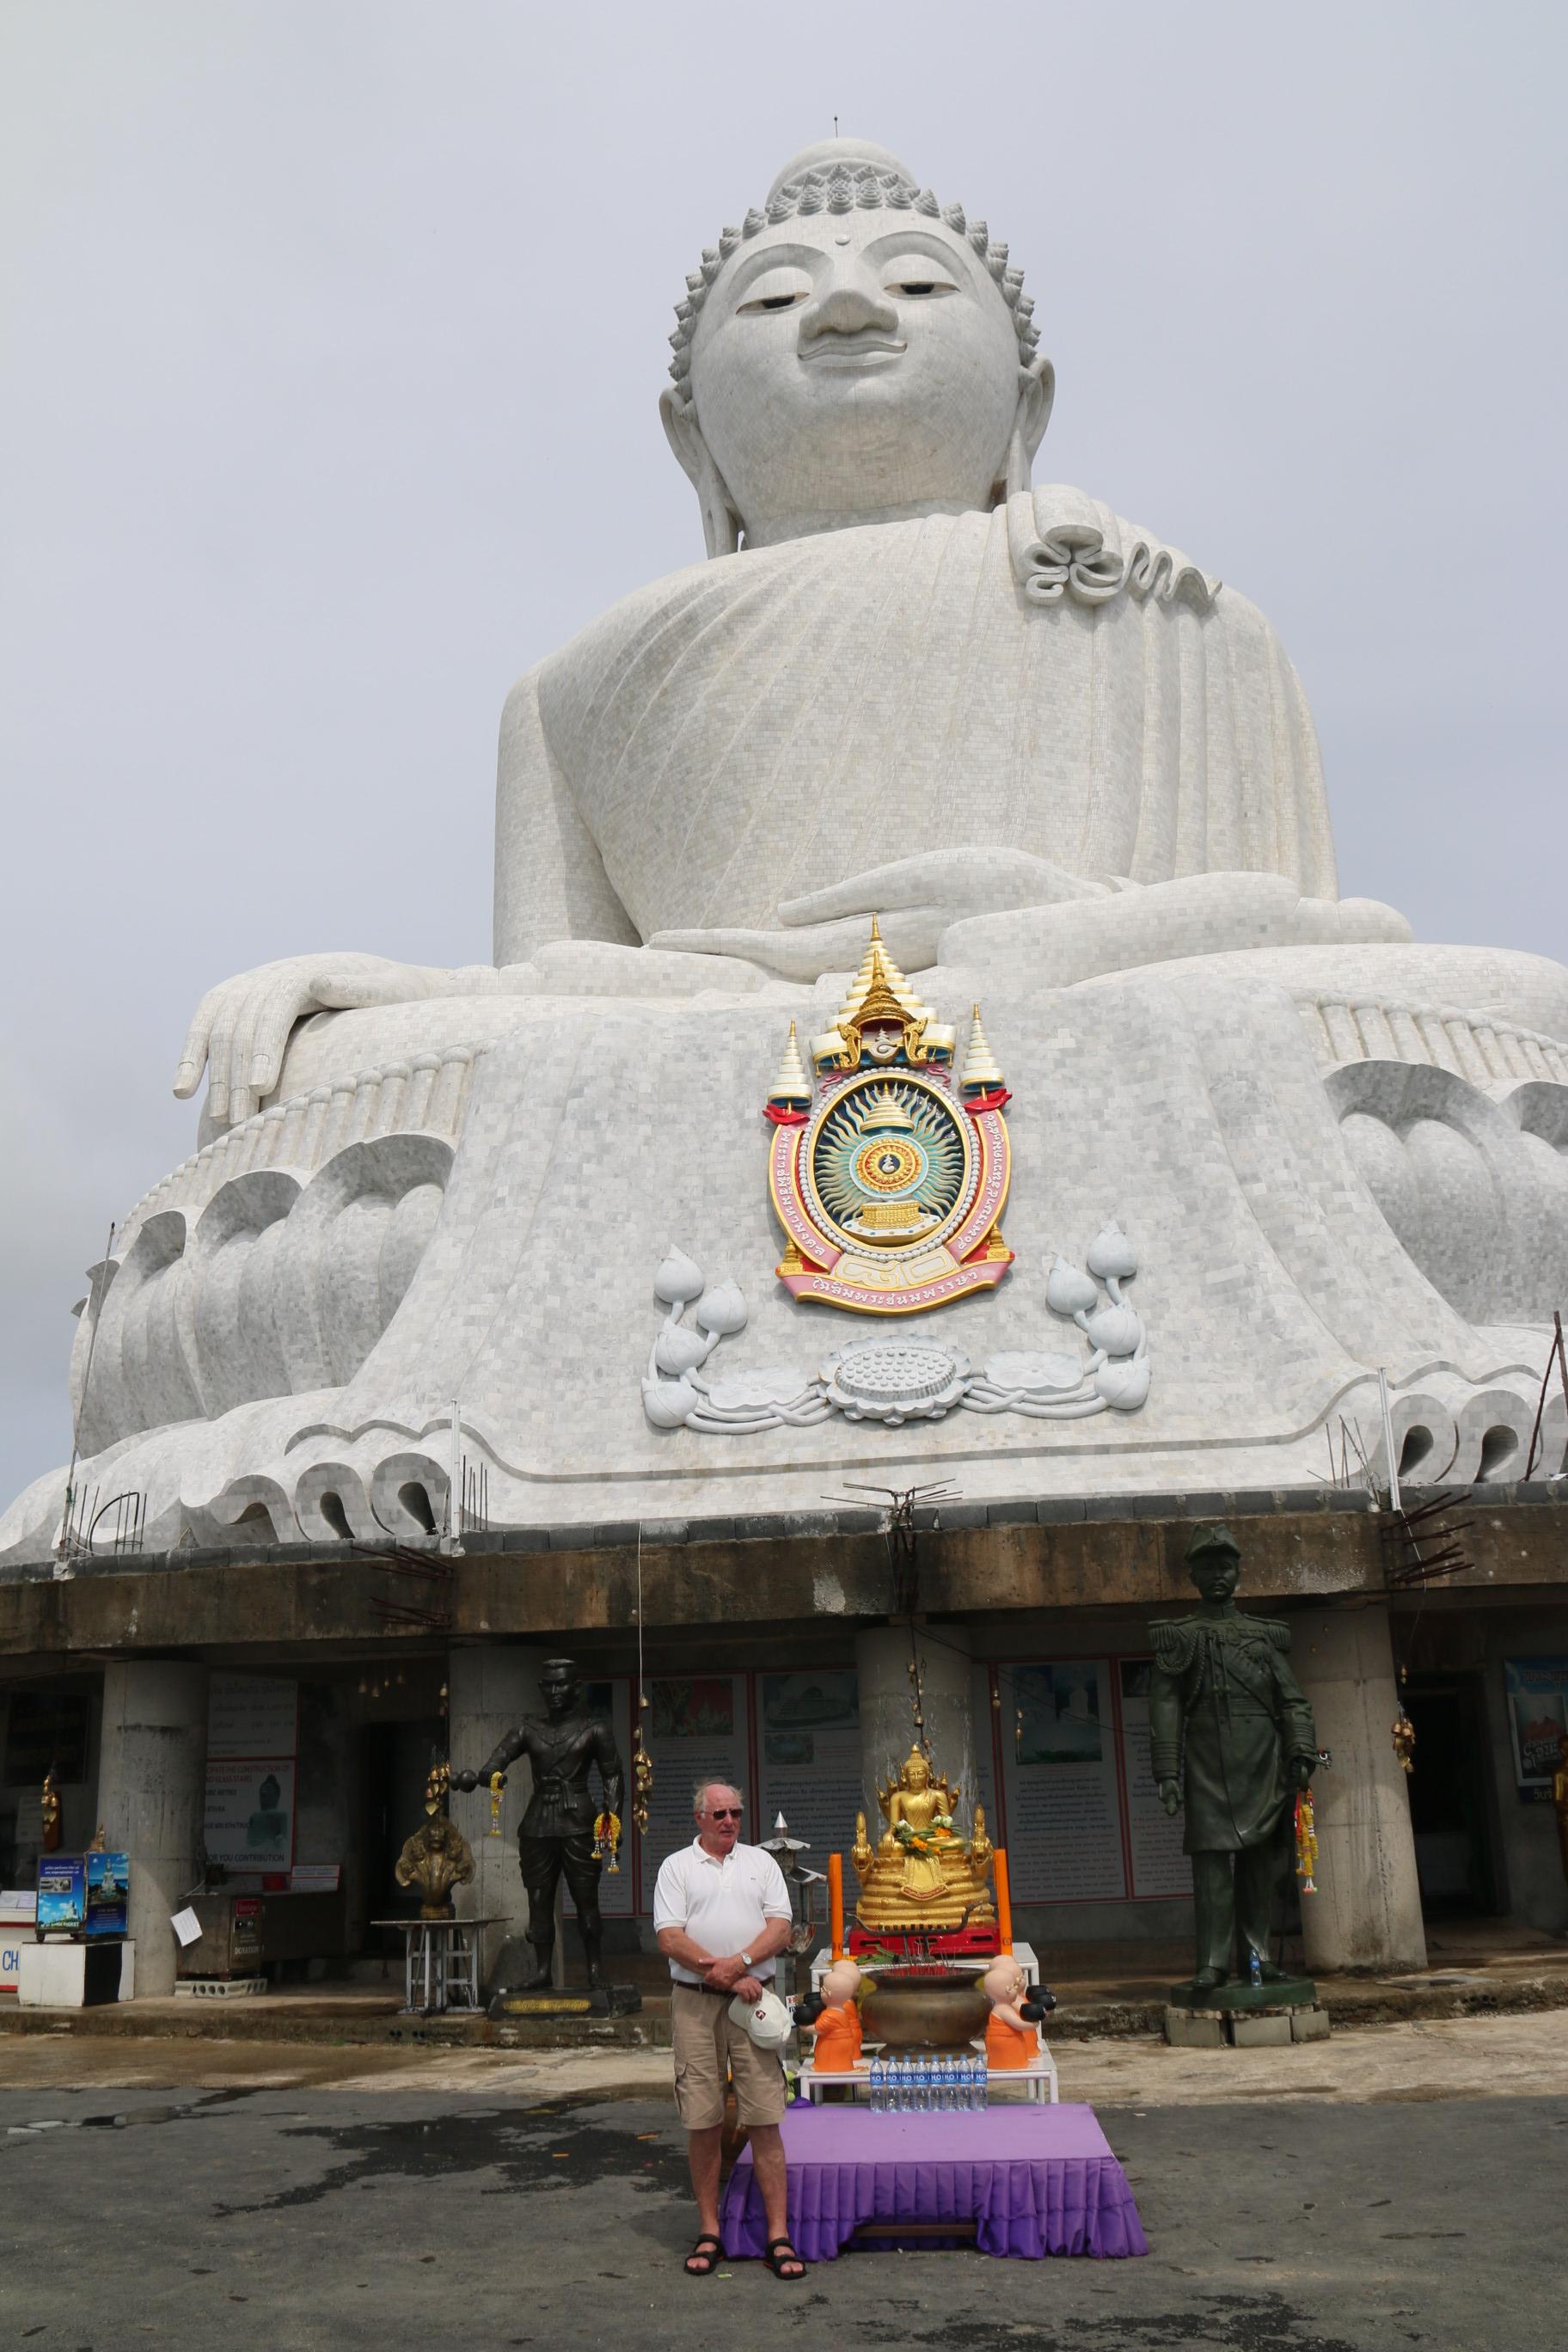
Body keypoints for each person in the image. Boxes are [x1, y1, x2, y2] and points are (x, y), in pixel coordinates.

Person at [1149, 1525, 1320, 1992]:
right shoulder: (1178, 1637)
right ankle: (1212, 1963)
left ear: (1239, 1572)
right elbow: (1164, 1704)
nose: (1218, 1576)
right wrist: (1167, 1772)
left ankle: (1258, 1957)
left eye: (1225, 1567)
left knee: (1257, 1868)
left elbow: (1293, 1701)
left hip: (1261, 1761)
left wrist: (1300, 1750)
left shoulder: (1263, 1638)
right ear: (1194, 1576)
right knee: (1210, 1867)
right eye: (1208, 1568)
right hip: (1205, 1760)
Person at [652, 1780, 804, 2281]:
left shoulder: (761, 1864)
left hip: (754, 2000)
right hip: (696, 2004)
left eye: (736, 1812)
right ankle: (710, 2229)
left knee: (765, 2113)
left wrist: (739, 1966)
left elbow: (781, 1928)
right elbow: (670, 1937)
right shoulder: (676, 1867)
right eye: (718, 1813)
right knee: (703, 2117)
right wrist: (718, 1971)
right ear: (699, 1818)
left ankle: (778, 2234)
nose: (729, 1821)